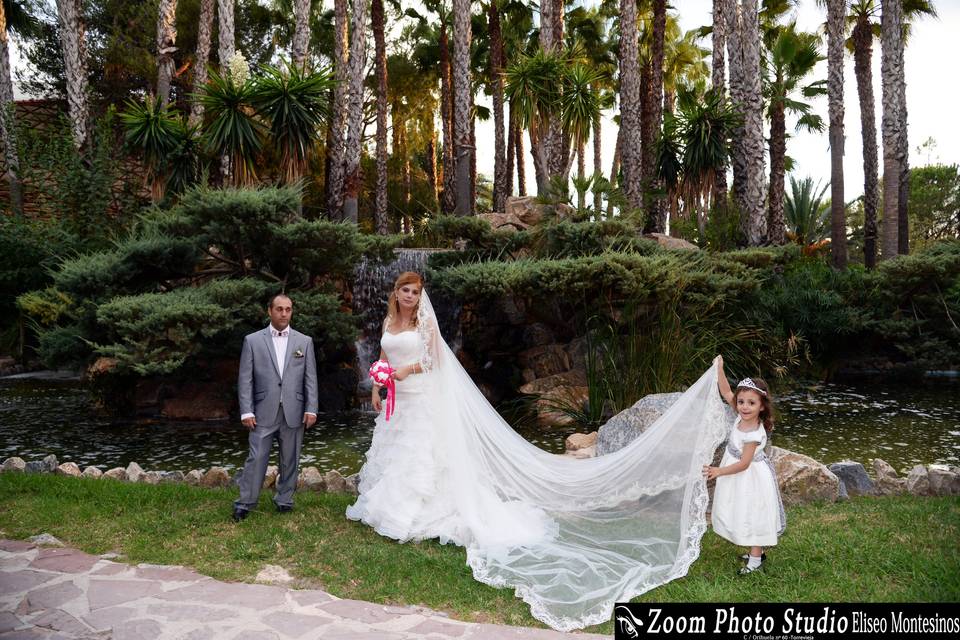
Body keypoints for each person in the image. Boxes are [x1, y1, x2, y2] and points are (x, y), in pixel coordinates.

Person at [346, 272, 733, 631]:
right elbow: (382, 360)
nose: (411, 297)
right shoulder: (388, 323)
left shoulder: (423, 324)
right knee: (398, 452)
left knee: (425, 455)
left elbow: (433, 360)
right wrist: (379, 386)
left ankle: (421, 510)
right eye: (405, 291)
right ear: (396, 294)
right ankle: (389, 507)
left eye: (416, 292)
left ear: (420, 296)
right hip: (399, 401)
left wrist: (405, 373)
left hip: (422, 397)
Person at [233, 293, 318, 522]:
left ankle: (284, 500)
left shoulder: (304, 341)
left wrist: (311, 408)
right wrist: (246, 410)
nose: (284, 313)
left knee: (290, 458)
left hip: (295, 410)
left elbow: (310, 378)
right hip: (262, 411)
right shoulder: (253, 341)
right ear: (269, 311)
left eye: (288, 309)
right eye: (279, 309)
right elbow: (245, 379)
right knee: (256, 457)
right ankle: (245, 503)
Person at [703, 355, 786, 574]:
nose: (744, 407)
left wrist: (718, 471)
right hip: (738, 474)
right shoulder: (741, 415)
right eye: (741, 402)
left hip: (749, 476)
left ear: (761, 407)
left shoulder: (753, 432)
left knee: (753, 513)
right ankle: (754, 551)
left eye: (751, 403)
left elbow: (744, 463)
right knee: (741, 510)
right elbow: (726, 391)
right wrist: (720, 368)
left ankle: (756, 559)